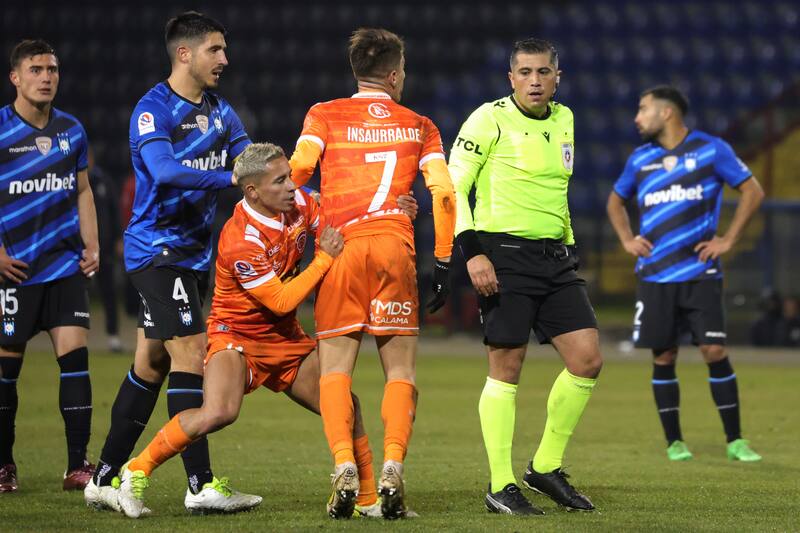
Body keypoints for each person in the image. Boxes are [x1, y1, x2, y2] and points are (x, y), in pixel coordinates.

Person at [84, 11, 260, 514]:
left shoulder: (221, 112)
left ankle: (103, 475)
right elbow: (162, 170)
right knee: (191, 354)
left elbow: (252, 160)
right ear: (185, 53)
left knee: (153, 362)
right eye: (215, 50)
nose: (225, 59)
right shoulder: (153, 109)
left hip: (192, 257)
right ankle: (200, 484)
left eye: (224, 50)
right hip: (156, 251)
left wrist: (291, 182)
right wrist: (232, 179)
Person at [289, 28, 456, 519]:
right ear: (394, 73)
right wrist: (443, 260)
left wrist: (310, 217)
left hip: (340, 249)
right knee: (400, 372)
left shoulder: (324, 114)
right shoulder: (419, 125)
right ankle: (392, 470)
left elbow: (297, 172)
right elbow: (443, 195)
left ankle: (344, 464)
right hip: (393, 249)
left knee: (335, 371)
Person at [449, 38, 601, 515]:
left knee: (587, 359)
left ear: (558, 77)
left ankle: (545, 468)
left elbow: (560, 187)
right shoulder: (487, 118)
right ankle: (500, 484)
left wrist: (569, 241)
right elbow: (453, 186)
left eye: (543, 72)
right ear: (510, 78)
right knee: (506, 370)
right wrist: (472, 252)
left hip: (554, 258)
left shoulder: (566, 119)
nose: (535, 81)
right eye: (525, 72)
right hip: (503, 254)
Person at [607, 85, 764, 462]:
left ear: (667, 113)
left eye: (643, 109)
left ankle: (735, 441)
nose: (636, 118)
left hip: (700, 273)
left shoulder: (711, 149)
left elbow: (753, 191)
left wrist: (728, 239)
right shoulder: (640, 159)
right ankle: (674, 442)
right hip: (655, 275)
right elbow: (616, 200)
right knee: (663, 356)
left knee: (714, 350)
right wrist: (628, 239)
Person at [0, 39, 99, 493]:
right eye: (36, 69)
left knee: (76, 364)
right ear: (15, 78)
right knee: (6, 376)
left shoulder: (71, 131)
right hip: (14, 271)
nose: (46, 77)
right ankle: (4, 466)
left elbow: (82, 190)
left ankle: (77, 465)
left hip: (63, 267)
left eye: (53, 69)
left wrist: (92, 244)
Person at [87, 148, 123, 352]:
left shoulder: (103, 181)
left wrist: (119, 238)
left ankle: (113, 337)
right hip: (80, 249)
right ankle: (75, 335)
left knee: (109, 293)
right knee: (77, 294)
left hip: (105, 247)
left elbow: (114, 210)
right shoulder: (71, 180)